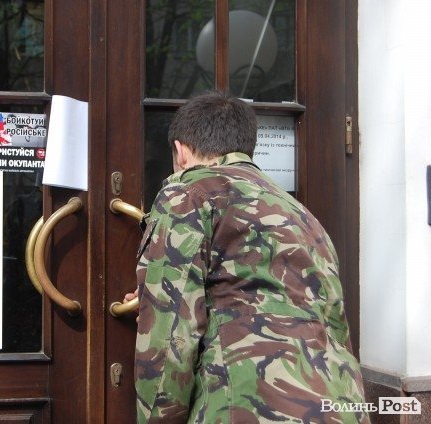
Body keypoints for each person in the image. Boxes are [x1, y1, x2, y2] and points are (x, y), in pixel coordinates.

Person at [128, 90, 368, 423]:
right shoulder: (302, 215)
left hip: (247, 406)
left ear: (181, 152)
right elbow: (334, 326)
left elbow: (168, 336)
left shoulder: (188, 194)